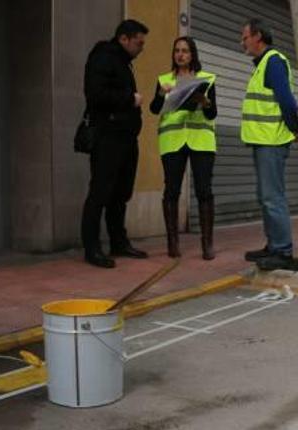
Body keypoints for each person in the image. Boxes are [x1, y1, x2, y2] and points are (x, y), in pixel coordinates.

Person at [81, 19, 150, 269]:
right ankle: (91, 248)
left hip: (126, 137)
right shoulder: (103, 57)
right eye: (138, 43)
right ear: (124, 38)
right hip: (108, 136)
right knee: (100, 192)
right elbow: (95, 94)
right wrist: (129, 98)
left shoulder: (123, 61)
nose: (142, 48)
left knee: (121, 192)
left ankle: (118, 242)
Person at [239, 18, 298, 271]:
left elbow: (287, 101)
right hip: (263, 141)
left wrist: (294, 129)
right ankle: (273, 245)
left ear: (258, 37)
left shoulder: (273, 61)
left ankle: (283, 251)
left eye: (245, 37)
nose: (242, 41)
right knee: (265, 197)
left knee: (273, 197)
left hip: (272, 142)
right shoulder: (264, 63)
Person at [149, 36, 218, 260]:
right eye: (177, 51)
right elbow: (154, 108)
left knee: (204, 190)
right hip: (173, 140)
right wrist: (161, 94)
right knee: (171, 190)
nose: (180, 55)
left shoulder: (206, 79)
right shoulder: (164, 80)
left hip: (201, 141)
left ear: (193, 54)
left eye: (185, 51)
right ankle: (172, 242)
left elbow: (212, 113)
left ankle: (207, 244)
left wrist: (205, 102)